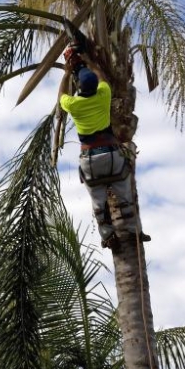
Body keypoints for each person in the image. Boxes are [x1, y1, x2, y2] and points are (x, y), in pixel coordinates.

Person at [58, 51, 151, 248]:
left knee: (99, 205)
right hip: (112, 156)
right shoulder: (104, 94)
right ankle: (135, 232)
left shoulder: (73, 104)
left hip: (90, 160)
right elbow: (101, 76)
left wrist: (67, 73)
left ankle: (108, 236)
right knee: (125, 198)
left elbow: (62, 96)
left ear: (79, 88)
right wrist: (91, 61)